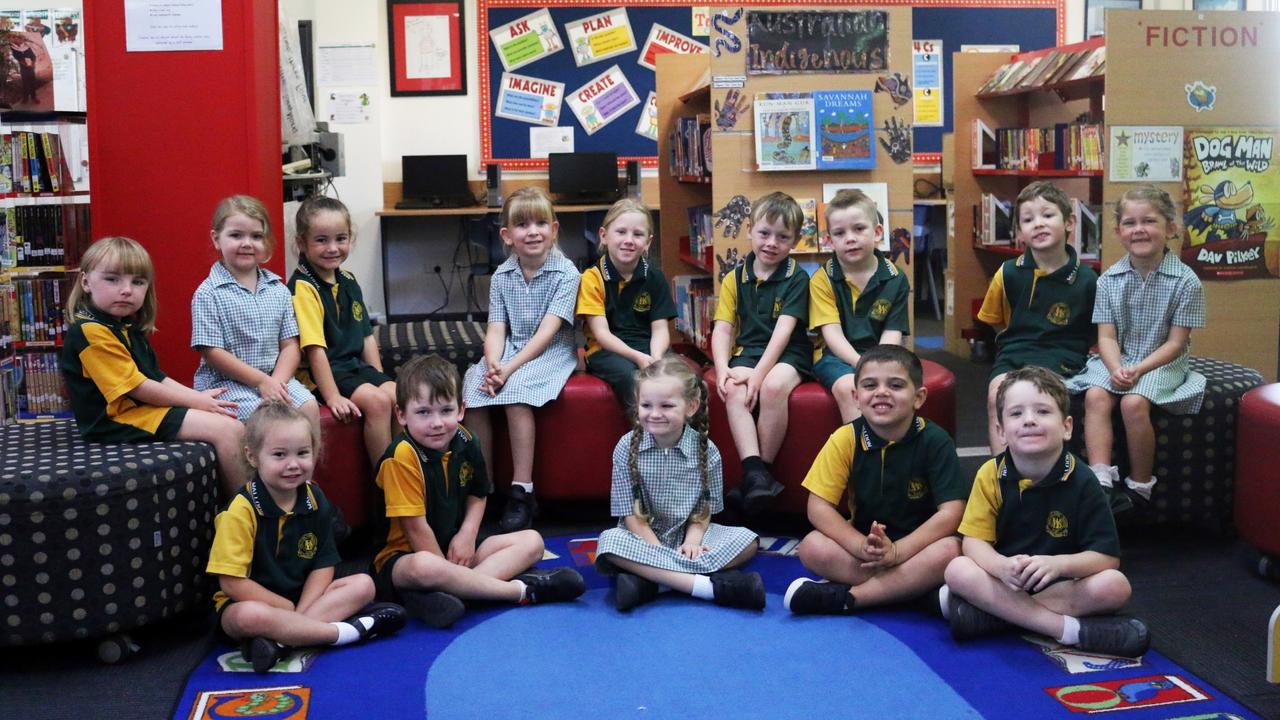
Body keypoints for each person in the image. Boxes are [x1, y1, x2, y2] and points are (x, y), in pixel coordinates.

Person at [941, 367, 1150, 658]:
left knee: (1115, 586)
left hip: (1059, 585)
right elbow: (974, 543)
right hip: (1005, 581)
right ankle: (1067, 630)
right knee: (957, 569)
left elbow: (1106, 558)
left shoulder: (1084, 479)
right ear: (1000, 432)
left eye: (1042, 411)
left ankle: (994, 615)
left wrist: (1058, 565)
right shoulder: (990, 473)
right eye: (1016, 414)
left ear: (1066, 427)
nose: (1029, 420)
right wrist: (1001, 566)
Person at [372, 354, 585, 627]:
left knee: (532, 541)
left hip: (455, 550)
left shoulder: (465, 438)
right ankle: (520, 591)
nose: (437, 422)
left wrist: (467, 534)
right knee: (425, 565)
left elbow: (478, 493)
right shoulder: (401, 456)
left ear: (461, 410)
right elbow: (416, 530)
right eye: (423, 412)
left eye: (446, 411)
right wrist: (447, 571)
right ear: (401, 415)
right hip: (403, 560)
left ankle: (456, 595)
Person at [207, 401, 405, 673]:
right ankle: (345, 632)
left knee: (364, 584)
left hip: (304, 602)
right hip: (253, 605)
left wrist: (298, 613)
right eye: (279, 455)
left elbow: (324, 564)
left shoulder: (315, 498)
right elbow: (231, 583)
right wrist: (283, 606)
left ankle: (280, 643)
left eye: (302, 453)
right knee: (249, 616)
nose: (293, 464)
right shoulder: (241, 511)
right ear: (252, 457)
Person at [784, 345, 966, 614]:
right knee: (811, 547)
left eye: (895, 385)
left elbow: (953, 512)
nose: (882, 392)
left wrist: (898, 552)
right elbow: (818, 507)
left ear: (919, 397)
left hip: (919, 549)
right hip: (865, 550)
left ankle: (852, 598)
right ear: (856, 397)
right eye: (870, 385)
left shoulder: (936, 441)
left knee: (951, 551)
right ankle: (914, 593)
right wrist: (860, 546)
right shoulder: (844, 439)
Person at [61, 236, 248, 496]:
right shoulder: (91, 331)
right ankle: (248, 516)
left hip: (140, 409)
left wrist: (196, 397)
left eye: (137, 281)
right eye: (112, 279)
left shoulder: (124, 326)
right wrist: (197, 402)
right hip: (115, 420)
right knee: (229, 430)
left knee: (229, 420)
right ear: (85, 282)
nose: (126, 289)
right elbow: (139, 387)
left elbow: (156, 377)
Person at [1067, 185, 1206, 510]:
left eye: (1149, 221)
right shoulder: (1108, 280)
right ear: (1118, 232)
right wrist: (1115, 367)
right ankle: (1101, 477)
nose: (1139, 229)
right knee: (1096, 395)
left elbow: (1176, 342)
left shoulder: (1186, 282)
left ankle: (1140, 486)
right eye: (1130, 223)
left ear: (1170, 228)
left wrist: (1139, 370)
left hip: (1163, 362)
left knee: (1133, 403)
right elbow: (1107, 338)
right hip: (1119, 357)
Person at [595, 354, 765, 611]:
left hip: (688, 536)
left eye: (666, 406)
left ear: (691, 407)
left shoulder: (707, 451)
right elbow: (631, 516)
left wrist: (693, 541)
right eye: (646, 406)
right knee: (609, 543)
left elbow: (703, 511)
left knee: (748, 540)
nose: (654, 414)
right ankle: (705, 588)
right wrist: (657, 551)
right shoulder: (625, 447)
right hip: (641, 539)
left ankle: (654, 583)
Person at [462, 186, 581, 531]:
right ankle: (483, 489)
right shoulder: (502, 275)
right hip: (512, 348)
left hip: (552, 350)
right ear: (507, 235)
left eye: (541, 223)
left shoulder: (566, 274)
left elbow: (548, 333)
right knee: (474, 389)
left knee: (516, 393)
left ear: (554, 229)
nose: (532, 232)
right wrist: (493, 364)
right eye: (522, 225)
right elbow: (496, 329)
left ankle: (522, 491)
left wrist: (509, 370)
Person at [711, 191, 812, 515]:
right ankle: (757, 476)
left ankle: (756, 475)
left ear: (795, 240)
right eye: (764, 233)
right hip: (749, 353)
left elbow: (784, 332)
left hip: (789, 353)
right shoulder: (733, 278)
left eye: (782, 237)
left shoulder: (796, 277)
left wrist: (758, 374)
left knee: (771, 387)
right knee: (734, 394)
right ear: (750, 230)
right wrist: (724, 368)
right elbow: (723, 328)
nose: (771, 243)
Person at [978, 181, 1098, 454]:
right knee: (996, 395)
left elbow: (1095, 331)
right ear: (1020, 232)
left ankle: (1049, 469)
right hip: (1014, 352)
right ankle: (1003, 470)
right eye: (1028, 219)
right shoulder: (1007, 273)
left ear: (1069, 223)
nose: (1038, 224)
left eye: (1047, 215)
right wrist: (1012, 342)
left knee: (1038, 398)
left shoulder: (1088, 279)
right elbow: (995, 319)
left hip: (1063, 356)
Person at [289, 195, 397, 467]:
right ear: (302, 243)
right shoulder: (304, 288)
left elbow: (366, 337)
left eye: (341, 238)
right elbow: (315, 350)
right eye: (321, 240)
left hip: (352, 366)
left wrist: (378, 375)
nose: (332, 248)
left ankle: (405, 472)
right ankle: (384, 481)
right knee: (377, 403)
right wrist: (332, 395)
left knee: (398, 396)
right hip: (323, 373)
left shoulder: (348, 280)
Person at [192, 195, 319, 424]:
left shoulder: (278, 289)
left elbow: (290, 344)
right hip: (226, 384)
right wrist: (261, 382)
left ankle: (305, 461)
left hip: (275, 377)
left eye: (256, 236)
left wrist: (276, 383)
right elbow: (212, 353)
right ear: (216, 239)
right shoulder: (208, 293)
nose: (247, 243)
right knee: (264, 419)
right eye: (236, 235)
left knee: (309, 408)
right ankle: (257, 461)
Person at [809, 189, 911, 423]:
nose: (850, 238)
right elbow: (832, 335)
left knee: (897, 388)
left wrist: (879, 366)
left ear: (877, 233)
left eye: (858, 229)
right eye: (839, 233)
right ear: (829, 241)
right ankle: (864, 453)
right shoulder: (822, 279)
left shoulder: (896, 278)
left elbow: (892, 331)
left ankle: (896, 450)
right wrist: (862, 365)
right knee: (849, 387)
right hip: (834, 357)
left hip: (881, 354)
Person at [576, 198, 677, 407]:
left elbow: (660, 330)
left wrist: (656, 358)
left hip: (647, 345)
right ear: (604, 236)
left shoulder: (655, 278)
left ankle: (683, 436)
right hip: (606, 351)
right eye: (621, 232)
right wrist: (638, 358)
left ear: (648, 242)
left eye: (638, 234)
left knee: (681, 379)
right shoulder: (592, 278)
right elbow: (602, 335)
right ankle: (646, 433)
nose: (629, 240)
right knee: (632, 380)